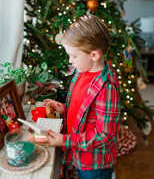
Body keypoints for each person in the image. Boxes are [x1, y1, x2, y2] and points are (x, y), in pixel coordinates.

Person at [43, 14, 121, 179]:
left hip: (94, 164)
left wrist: (64, 140)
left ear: (94, 55)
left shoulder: (107, 87)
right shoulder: (81, 72)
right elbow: (82, 109)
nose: (70, 61)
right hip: (79, 155)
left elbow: (104, 134)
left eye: (74, 56)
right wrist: (64, 108)